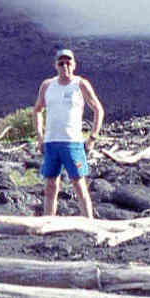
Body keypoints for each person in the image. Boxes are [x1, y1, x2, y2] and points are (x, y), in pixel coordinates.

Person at [33, 49, 104, 218]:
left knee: (79, 184)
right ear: (55, 65)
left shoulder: (80, 84)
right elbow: (37, 110)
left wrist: (93, 137)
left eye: (68, 62)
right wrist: (40, 136)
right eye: (61, 63)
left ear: (74, 65)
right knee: (50, 185)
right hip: (51, 142)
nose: (65, 66)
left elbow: (98, 109)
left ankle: (89, 223)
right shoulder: (47, 85)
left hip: (72, 142)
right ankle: (48, 222)